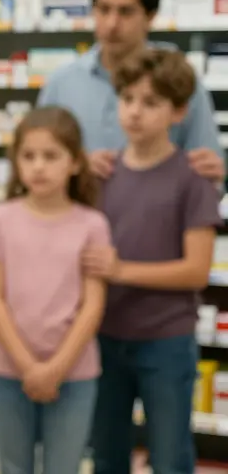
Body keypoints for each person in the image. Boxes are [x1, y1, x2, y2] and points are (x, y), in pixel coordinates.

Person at [82, 48, 221, 474]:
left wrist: (122, 270)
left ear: (179, 111)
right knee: (106, 453)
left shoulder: (193, 179)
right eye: (128, 99)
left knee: (170, 456)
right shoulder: (102, 175)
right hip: (104, 334)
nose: (135, 112)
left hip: (166, 342)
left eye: (151, 102)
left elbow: (197, 270)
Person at [0, 107, 109, 474]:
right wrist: (29, 367)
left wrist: (54, 369)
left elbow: (92, 306)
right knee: (13, 466)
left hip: (74, 373)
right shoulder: (1, 218)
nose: (38, 166)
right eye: (29, 156)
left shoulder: (92, 225)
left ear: (76, 163)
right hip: (8, 369)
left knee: (63, 468)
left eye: (51, 156)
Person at [38, 0, 224, 184]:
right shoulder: (62, 83)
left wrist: (211, 170)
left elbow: (208, 166)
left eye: (125, 12)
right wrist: (78, 166)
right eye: (104, 9)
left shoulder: (178, 79)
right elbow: (35, 156)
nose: (112, 23)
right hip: (78, 214)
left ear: (150, 16)